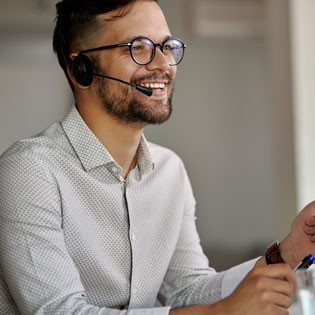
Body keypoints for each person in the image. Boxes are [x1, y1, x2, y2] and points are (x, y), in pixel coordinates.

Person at [0, 0, 315, 314]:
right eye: (139, 47)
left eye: (167, 46)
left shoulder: (169, 171)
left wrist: (290, 249)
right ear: (80, 68)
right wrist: (220, 313)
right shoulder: (28, 172)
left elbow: (188, 290)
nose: (163, 64)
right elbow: (58, 311)